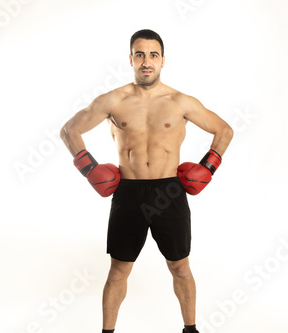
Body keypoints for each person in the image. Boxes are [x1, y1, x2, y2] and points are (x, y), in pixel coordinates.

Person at [60, 29, 234, 333]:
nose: (146, 61)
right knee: (117, 272)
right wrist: (89, 169)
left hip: (170, 191)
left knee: (180, 268)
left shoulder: (181, 101)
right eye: (139, 54)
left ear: (163, 60)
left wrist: (209, 166)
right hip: (129, 193)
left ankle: (190, 330)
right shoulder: (113, 100)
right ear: (130, 59)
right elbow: (69, 130)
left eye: (153, 55)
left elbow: (224, 130)